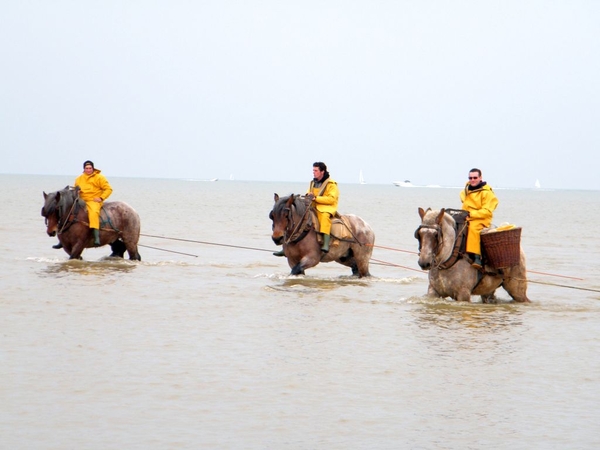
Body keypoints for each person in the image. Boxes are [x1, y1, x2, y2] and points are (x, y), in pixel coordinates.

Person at [273, 162, 340, 256]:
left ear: (322, 171)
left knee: (324, 218)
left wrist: (316, 198)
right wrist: (308, 196)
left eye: (316, 170)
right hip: (312, 206)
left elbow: (332, 199)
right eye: (313, 170)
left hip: (326, 208)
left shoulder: (331, 184)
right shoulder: (313, 182)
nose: (314, 172)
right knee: (294, 219)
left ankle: (325, 244)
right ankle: (285, 246)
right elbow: (309, 193)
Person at [460, 168, 498, 270]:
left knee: (473, 228)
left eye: (475, 178)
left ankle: (477, 257)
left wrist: (471, 214)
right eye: (470, 178)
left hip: (481, 218)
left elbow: (487, 211)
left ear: (480, 178)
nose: (472, 180)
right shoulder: (467, 189)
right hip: (467, 216)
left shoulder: (487, 193)